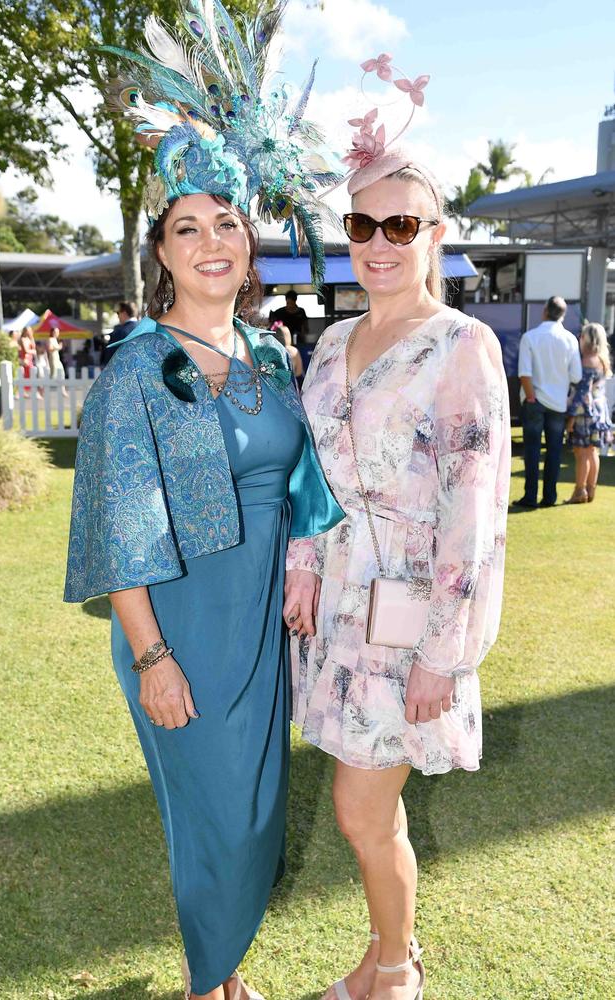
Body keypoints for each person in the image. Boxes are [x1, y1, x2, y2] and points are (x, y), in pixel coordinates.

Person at [64, 4, 343, 998]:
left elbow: (301, 477)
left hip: (258, 629)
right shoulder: (136, 371)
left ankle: (222, 974)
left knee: (257, 813)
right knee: (213, 810)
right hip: (175, 625)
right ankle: (206, 983)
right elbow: (114, 527)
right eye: (189, 227)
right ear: (164, 251)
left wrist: (304, 565)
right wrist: (150, 657)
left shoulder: (269, 355)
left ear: (247, 236)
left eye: (226, 221)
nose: (212, 240)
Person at [284, 92, 511, 1000]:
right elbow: (311, 475)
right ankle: (386, 961)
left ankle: (394, 972)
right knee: (362, 815)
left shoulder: (463, 346)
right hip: (338, 610)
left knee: (359, 811)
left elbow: (476, 513)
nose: (378, 241)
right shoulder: (334, 340)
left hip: (412, 619)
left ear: (433, 233)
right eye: (362, 223)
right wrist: (302, 568)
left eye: (400, 223)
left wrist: (445, 654)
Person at [515, 296, 582, 508]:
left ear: (545, 311)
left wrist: (532, 396)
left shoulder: (530, 337)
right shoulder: (570, 339)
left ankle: (530, 496)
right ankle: (549, 497)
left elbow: (524, 373)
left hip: (534, 400)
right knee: (553, 451)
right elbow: (576, 376)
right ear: (563, 315)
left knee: (532, 451)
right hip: (557, 403)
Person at [566, 322, 613, 502]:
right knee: (592, 451)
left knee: (582, 452)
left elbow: (582, 394)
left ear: (587, 338)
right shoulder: (602, 360)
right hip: (600, 412)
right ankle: (590, 490)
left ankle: (580, 491)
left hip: (585, 413)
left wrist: (570, 418)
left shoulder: (586, 360)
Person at [101, 301, 139, 365]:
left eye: (118, 313)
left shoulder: (120, 331)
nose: (118, 316)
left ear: (124, 313)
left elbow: (110, 355)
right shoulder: (145, 329)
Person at [47, 325, 68, 397]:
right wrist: (58, 347)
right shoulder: (50, 339)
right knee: (53, 374)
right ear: (52, 332)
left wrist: (59, 347)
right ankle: (44, 390)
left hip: (57, 359)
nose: (57, 333)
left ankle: (63, 390)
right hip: (53, 359)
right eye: (56, 332)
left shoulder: (56, 340)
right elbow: (50, 349)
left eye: (58, 332)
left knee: (62, 373)